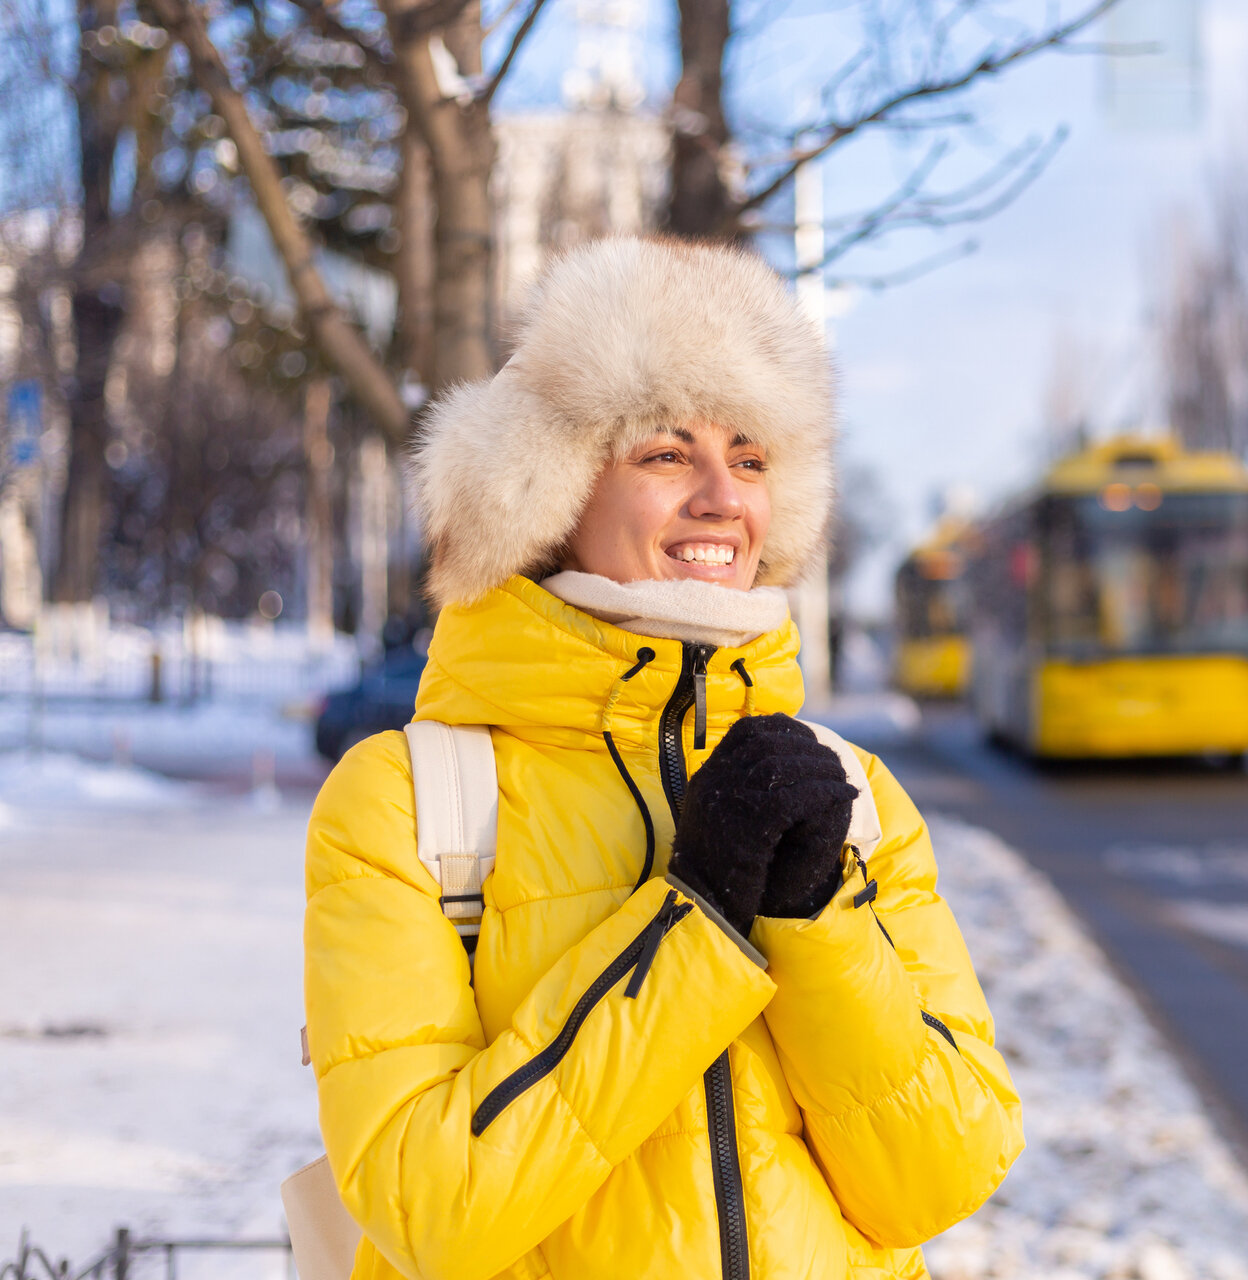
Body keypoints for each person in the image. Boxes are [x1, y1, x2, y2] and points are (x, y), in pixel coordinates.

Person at [302, 237, 1023, 1280]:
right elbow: (430, 1206)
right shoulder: (411, 804)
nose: (723, 496)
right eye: (664, 451)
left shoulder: (855, 795)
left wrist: (817, 918)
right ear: (548, 493)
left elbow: (943, 1176)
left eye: (754, 455)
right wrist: (697, 920)